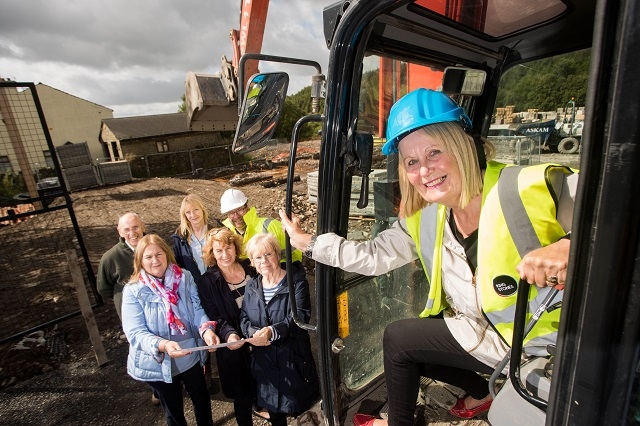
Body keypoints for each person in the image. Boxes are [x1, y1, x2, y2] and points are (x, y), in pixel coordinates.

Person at [279, 88, 576, 426]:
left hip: (552, 346)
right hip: (493, 338)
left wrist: (572, 246)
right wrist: (309, 243)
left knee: (408, 345)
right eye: (411, 162)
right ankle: (478, 396)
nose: (424, 170)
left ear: (463, 145)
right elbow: (374, 255)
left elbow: (617, 212)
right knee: (407, 343)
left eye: (435, 152)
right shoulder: (429, 219)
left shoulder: (528, 187)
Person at [121, 234, 220, 426]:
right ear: (140, 260)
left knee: (201, 399)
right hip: (159, 362)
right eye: (148, 257)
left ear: (167, 254)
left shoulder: (185, 277)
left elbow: (197, 309)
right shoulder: (133, 290)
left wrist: (206, 329)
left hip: (190, 354)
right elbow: (135, 332)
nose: (155, 260)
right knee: (173, 411)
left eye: (159, 254)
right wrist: (163, 344)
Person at [240, 233, 320, 426]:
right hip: (265, 367)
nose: (264, 261)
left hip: (293, 362)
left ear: (277, 254)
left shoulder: (296, 282)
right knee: (276, 417)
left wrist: (271, 332)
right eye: (258, 257)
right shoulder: (251, 286)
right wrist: (252, 334)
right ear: (252, 262)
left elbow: (300, 315)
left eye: (268, 254)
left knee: (304, 415)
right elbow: (243, 318)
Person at [197, 227, 259, 425]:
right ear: (211, 254)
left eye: (228, 248)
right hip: (234, 347)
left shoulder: (251, 268)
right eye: (218, 250)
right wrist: (230, 334)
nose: (225, 254)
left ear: (235, 247)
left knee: (267, 389)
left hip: (259, 339)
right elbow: (215, 316)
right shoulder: (208, 281)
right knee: (243, 396)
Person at [219, 188, 303, 267]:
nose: (236, 216)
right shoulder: (226, 232)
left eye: (239, 210)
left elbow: (295, 250)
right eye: (231, 213)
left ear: (247, 208)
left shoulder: (270, 226)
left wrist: (283, 269)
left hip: (280, 271)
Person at [97, 211, 146, 321]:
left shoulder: (158, 247)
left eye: (135, 227)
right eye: (127, 230)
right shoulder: (111, 258)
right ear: (120, 232)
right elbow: (104, 289)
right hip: (133, 315)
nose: (132, 233)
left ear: (143, 226)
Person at [172, 194, 223, 283]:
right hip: (194, 286)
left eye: (196, 210)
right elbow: (177, 264)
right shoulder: (180, 237)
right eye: (188, 212)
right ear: (184, 215)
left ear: (202, 209)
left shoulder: (217, 230)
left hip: (219, 283)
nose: (193, 215)